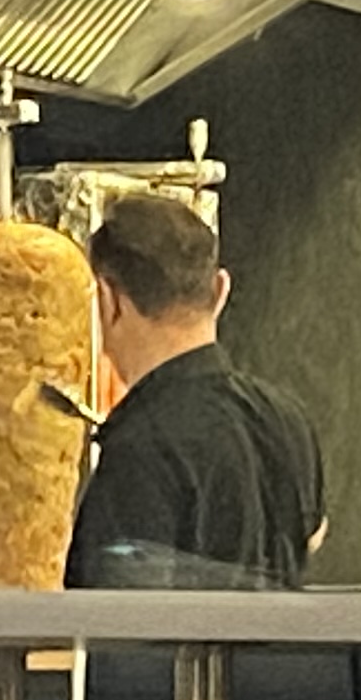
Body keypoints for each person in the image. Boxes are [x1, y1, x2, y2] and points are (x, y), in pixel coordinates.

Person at [65, 190, 324, 589]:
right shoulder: (289, 420)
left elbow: (118, 613)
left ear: (107, 301)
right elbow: (312, 537)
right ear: (220, 291)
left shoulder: (138, 449)